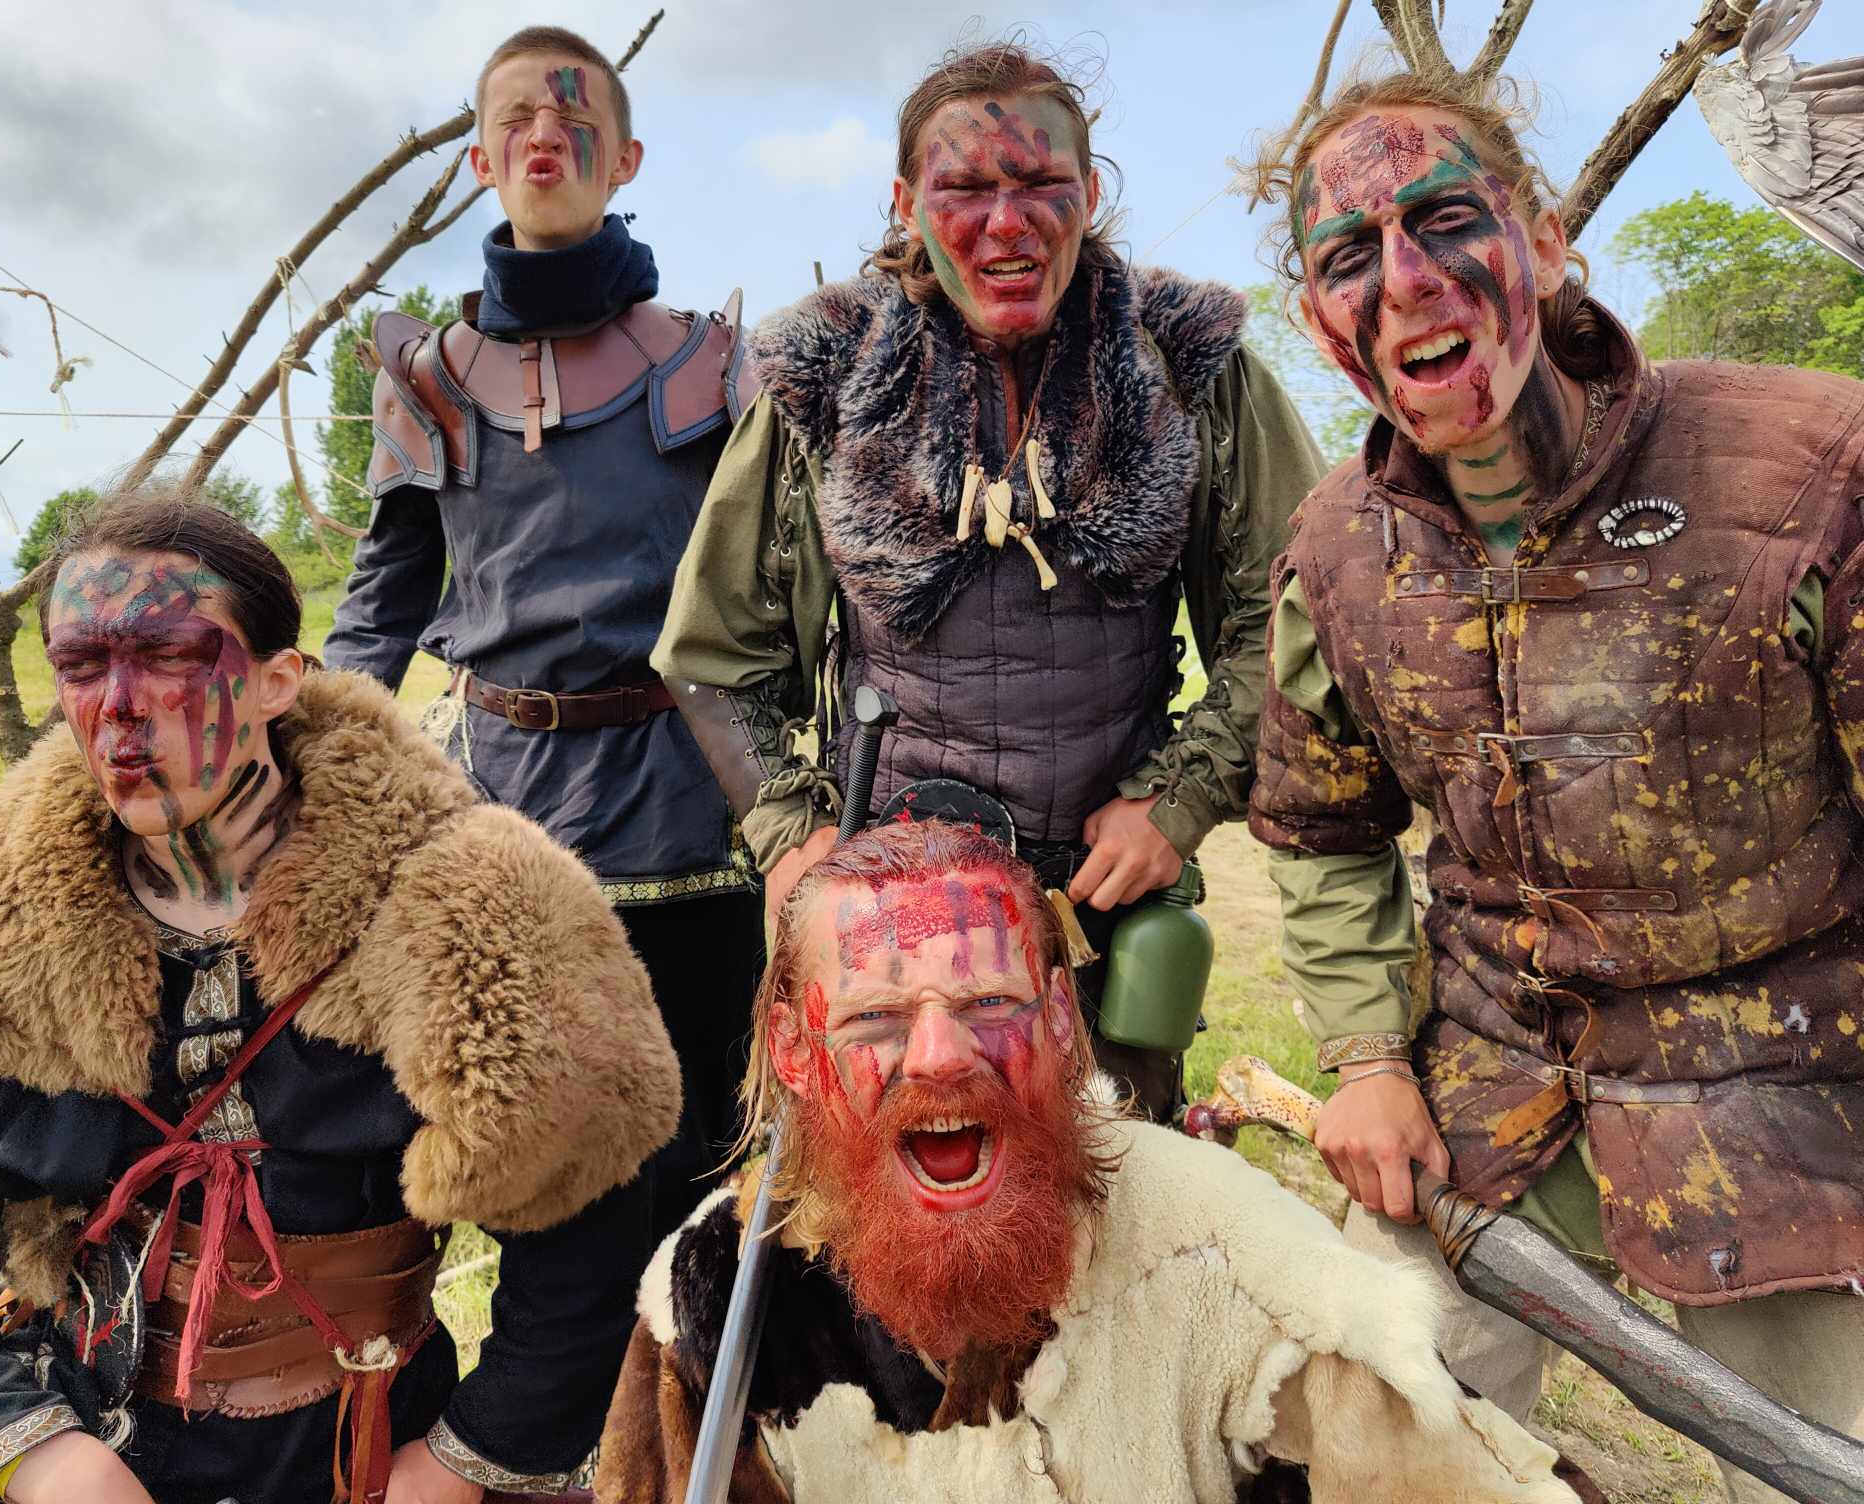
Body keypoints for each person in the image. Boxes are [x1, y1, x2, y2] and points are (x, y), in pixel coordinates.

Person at [1244, 63, 1864, 1503]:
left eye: (1445, 221)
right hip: (1490, 1089)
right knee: (1363, 1441)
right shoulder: (1334, 551)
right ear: (1318, 320)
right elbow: (1323, 832)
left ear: (1543, 236)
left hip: (1787, 1091)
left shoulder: (1810, 467)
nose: (1406, 280)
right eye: (1348, 257)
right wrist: (1367, 1064)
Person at [0, 489, 680, 1504]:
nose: (118, 706)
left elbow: (591, 1228)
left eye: (169, 656)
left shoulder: (469, 908)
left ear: (276, 681)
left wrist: (462, 1458)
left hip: (370, 1443)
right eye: (81, 665)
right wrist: (43, 1459)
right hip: (78, 1428)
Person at [653, 40, 1326, 1121]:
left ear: (1089, 192)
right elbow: (712, 652)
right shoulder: (823, 378)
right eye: (964, 189)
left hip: (1103, 920)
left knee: (1113, 1190)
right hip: (889, 927)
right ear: (906, 203)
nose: (1004, 224)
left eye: (1039, 184)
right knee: (888, 1198)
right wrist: (792, 836)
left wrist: (1178, 801)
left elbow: (1292, 615)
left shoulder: (1188, 365)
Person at [589, 819, 1576, 1503]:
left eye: (989, 1004)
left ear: (1062, 1020)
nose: (938, 1056)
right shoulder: (717, 1290)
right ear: (794, 1049)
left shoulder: (1226, 1249)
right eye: (875, 1018)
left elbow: (1469, 1474)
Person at [320, 24, 768, 1488]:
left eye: (573, 118)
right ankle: (534, 1454)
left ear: (625, 157)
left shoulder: (709, 365)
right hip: (502, 832)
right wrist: (306, 770)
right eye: (514, 116)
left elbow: (775, 596)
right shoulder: (428, 377)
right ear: (478, 159)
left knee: (698, 1173)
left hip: (692, 820)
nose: (543, 134)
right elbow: (383, 604)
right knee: (538, 1166)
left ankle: (685, 1453)